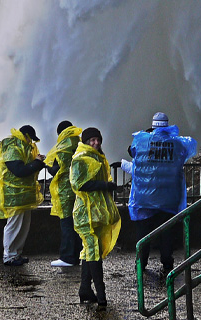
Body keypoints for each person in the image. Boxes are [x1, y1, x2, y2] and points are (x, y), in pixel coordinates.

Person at [121, 112, 198, 279]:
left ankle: (141, 264)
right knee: (166, 234)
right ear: (167, 125)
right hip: (168, 199)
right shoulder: (177, 144)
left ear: (153, 125)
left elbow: (133, 153)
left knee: (143, 235)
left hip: (144, 199)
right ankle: (167, 264)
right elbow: (188, 149)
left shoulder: (141, 141)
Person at [70, 127, 121, 306]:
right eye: (92, 140)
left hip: (96, 212)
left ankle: (85, 289)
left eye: (97, 139)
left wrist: (106, 186)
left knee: (92, 250)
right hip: (85, 214)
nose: (96, 143)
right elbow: (78, 184)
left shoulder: (97, 157)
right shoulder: (80, 158)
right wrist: (104, 185)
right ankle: (101, 295)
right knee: (93, 251)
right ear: (85, 142)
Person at [0, 124, 46, 265]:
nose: (31, 142)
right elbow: (19, 170)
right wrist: (37, 163)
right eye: (30, 139)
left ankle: (17, 253)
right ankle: (9, 256)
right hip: (13, 195)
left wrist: (37, 161)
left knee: (23, 225)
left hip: (24, 195)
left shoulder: (24, 147)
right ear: (25, 135)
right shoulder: (12, 146)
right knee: (14, 225)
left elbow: (26, 167)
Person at [45, 120, 83, 269]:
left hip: (66, 191)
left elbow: (55, 170)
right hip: (78, 189)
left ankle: (67, 257)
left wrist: (46, 165)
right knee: (76, 224)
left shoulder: (62, 147)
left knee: (66, 224)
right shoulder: (80, 143)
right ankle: (76, 255)